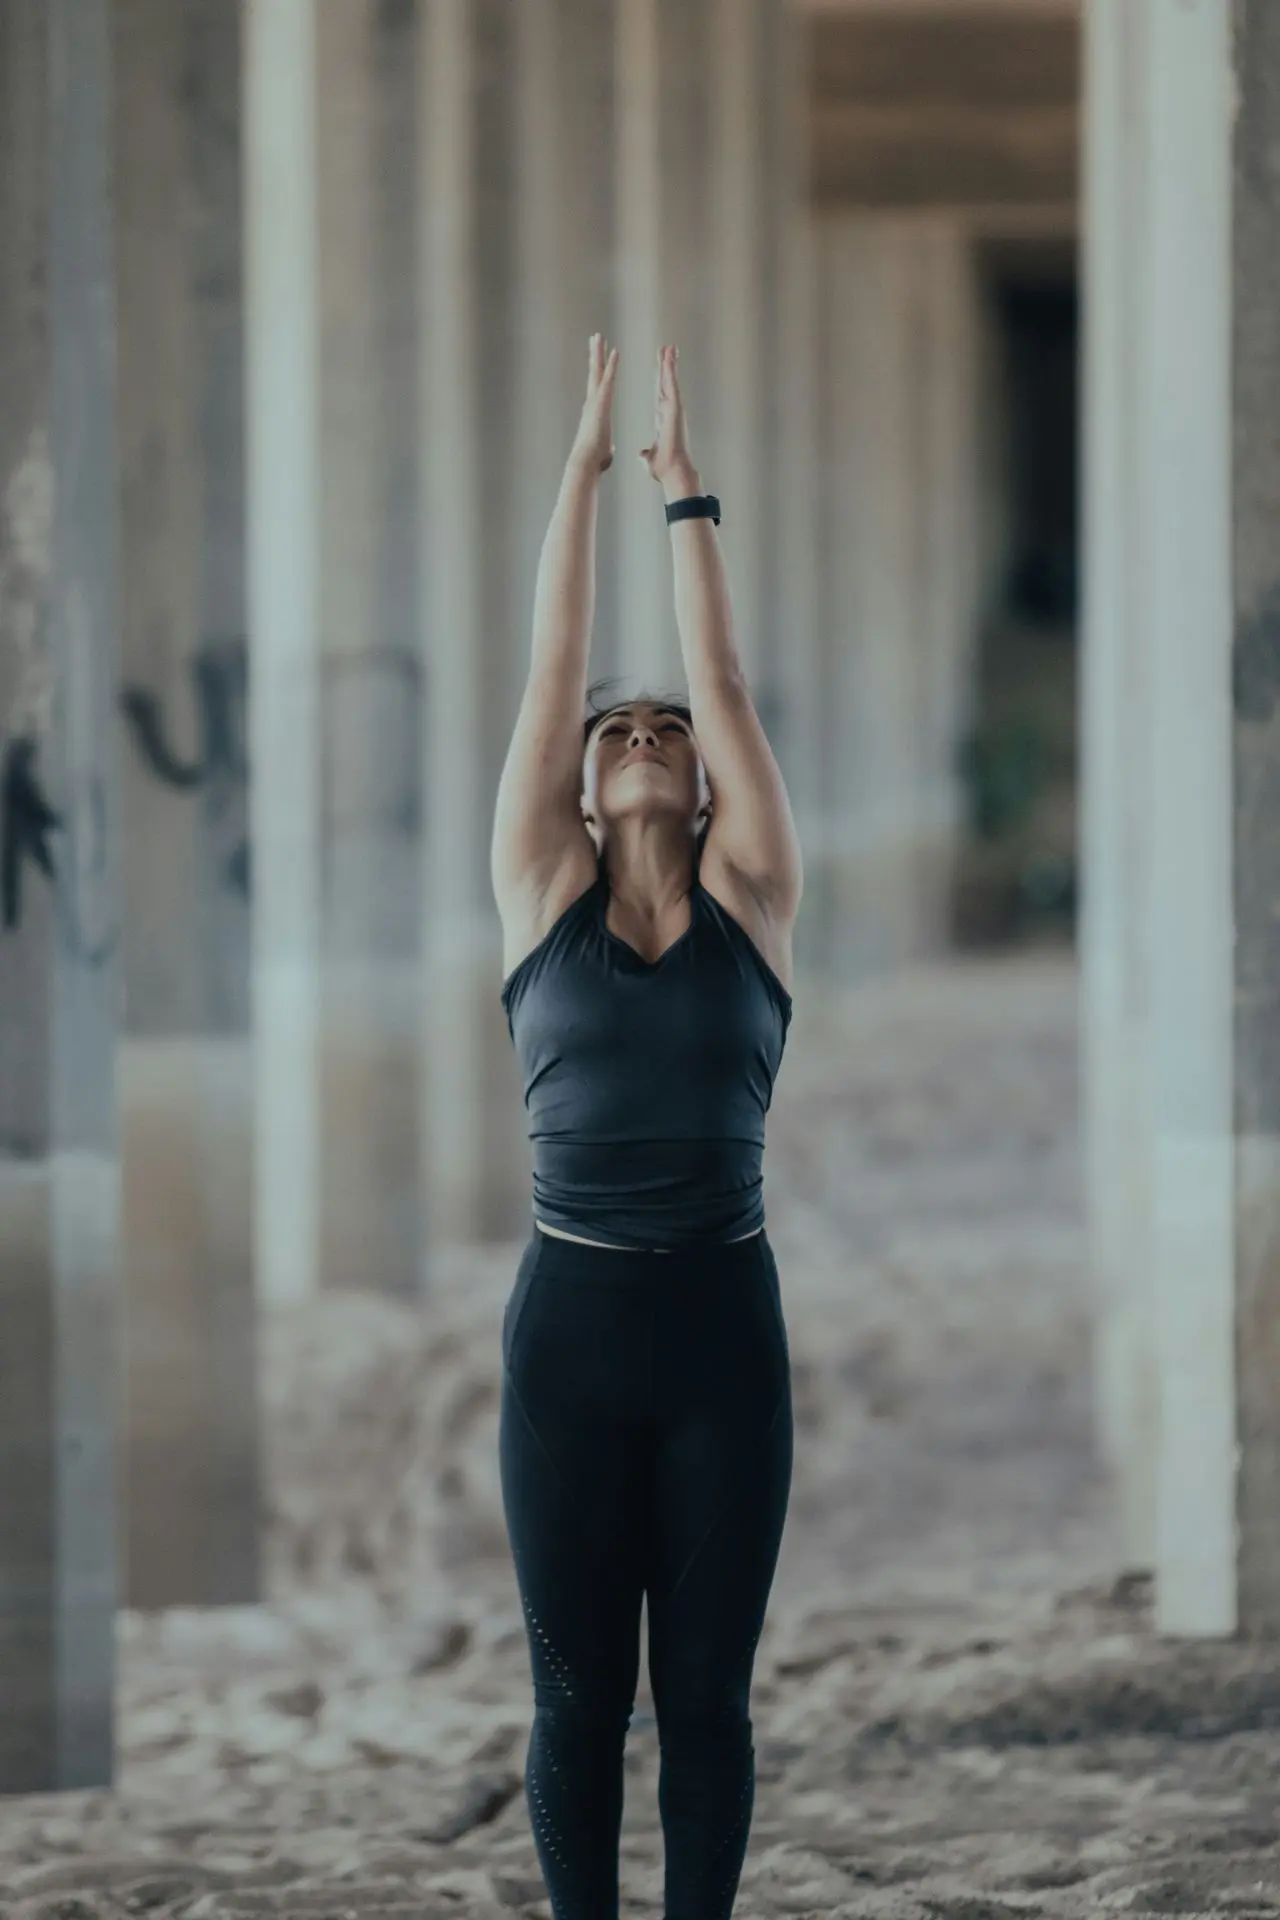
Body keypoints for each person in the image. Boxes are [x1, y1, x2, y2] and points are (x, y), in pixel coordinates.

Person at [490, 333, 803, 1919]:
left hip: (723, 1331)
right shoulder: (539, 900)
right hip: (571, 1332)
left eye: (658, 732)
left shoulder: (757, 902)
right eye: (617, 732)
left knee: (705, 1703)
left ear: (698, 789)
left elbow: (724, 682)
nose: (631, 733)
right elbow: (554, 671)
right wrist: (579, 468)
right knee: (571, 1706)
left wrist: (688, 500)